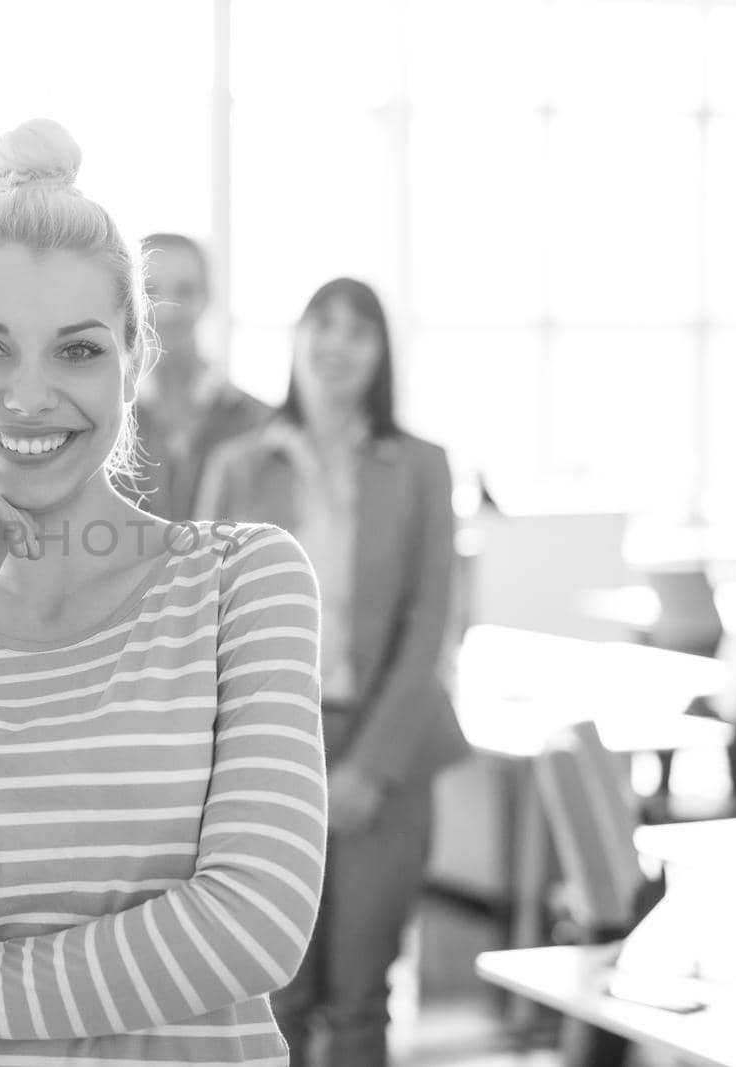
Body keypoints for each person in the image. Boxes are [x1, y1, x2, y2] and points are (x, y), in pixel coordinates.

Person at [0, 119, 327, 1066]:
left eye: (78, 350)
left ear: (135, 354)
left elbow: (254, 928)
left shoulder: (244, 581)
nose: (31, 395)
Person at [198, 277, 471, 1067]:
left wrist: (369, 768)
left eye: (360, 329)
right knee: (273, 986)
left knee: (358, 993)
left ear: (382, 352)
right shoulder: (241, 464)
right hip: (268, 746)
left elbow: (430, 624)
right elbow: (208, 619)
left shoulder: (420, 465)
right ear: (297, 339)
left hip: (387, 746)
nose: (338, 343)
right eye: (324, 324)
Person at [118, 232, 272, 520]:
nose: (168, 309)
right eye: (150, 291)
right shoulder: (108, 420)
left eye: (185, 291)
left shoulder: (257, 421)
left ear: (207, 297)